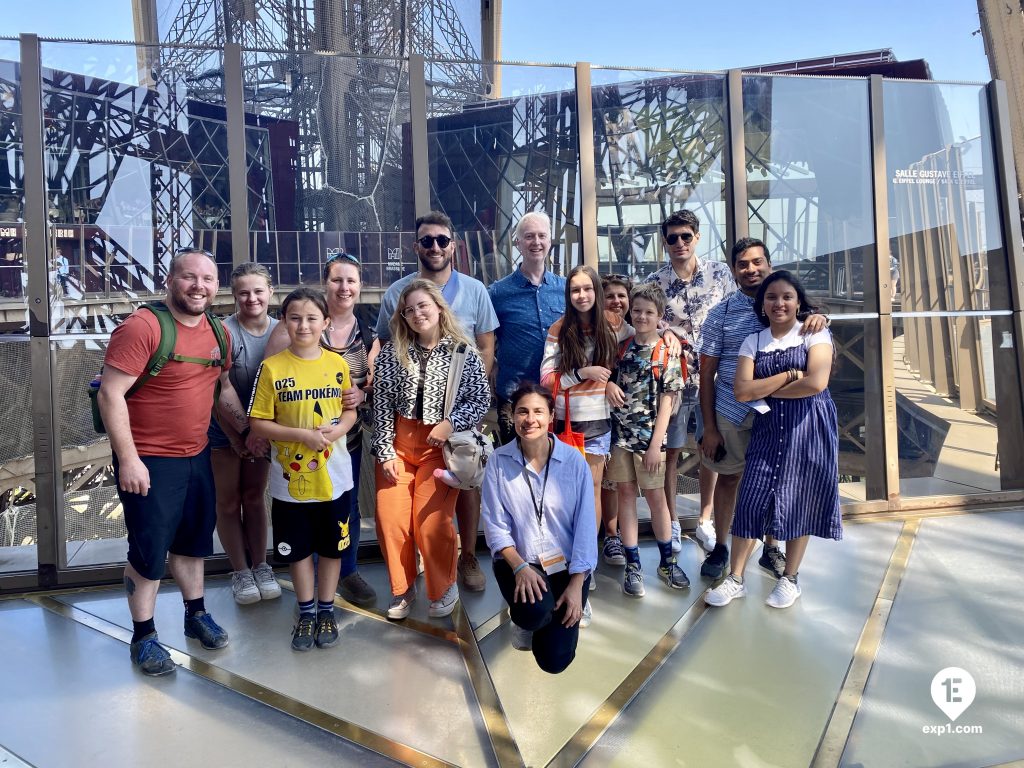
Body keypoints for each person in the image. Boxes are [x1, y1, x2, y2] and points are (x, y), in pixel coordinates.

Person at [97, 248, 250, 676]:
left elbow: (220, 390)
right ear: (170, 280)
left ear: (215, 286)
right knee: (148, 551)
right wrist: (128, 460)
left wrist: (243, 434)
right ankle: (143, 635)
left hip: (196, 454)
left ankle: (195, 613)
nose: (198, 286)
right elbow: (111, 395)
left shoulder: (218, 333)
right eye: (189, 277)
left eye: (206, 279)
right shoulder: (143, 327)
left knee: (192, 542)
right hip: (149, 459)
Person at [370, 211, 498, 593]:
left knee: (465, 485)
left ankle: (469, 554)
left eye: (442, 240)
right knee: (416, 508)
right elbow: (385, 341)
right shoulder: (398, 292)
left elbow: (486, 345)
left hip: (459, 413)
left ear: (453, 246)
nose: (436, 247)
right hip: (410, 417)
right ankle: (421, 567)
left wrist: (465, 404)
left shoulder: (475, 289)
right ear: (417, 247)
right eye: (427, 241)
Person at [704, 271, 841, 609]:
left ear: (798, 301)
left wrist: (768, 387)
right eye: (771, 298)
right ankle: (736, 578)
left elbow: (817, 383)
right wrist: (790, 375)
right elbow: (741, 390)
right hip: (768, 428)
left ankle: (790, 578)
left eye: (786, 297)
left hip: (808, 427)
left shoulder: (815, 332)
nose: (779, 303)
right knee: (751, 498)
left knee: (799, 499)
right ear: (762, 304)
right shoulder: (755, 340)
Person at [264, 252, 377, 607]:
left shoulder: (369, 331)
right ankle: (309, 587)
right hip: (298, 445)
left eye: (351, 281)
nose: (344, 287)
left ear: (360, 287)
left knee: (346, 508)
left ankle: (347, 571)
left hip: (345, 440)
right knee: (306, 509)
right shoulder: (295, 327)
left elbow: (372, 381)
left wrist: (363, 391)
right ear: (325, 284)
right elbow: (271, 378)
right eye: (336, 280)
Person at [248, 287, 357, 650]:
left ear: (326, 322)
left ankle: (327, 610)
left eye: (312, 318)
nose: (304, 325)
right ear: (285, 322)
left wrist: (339, 429)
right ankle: (306, 610)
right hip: (289, 482)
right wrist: (300, 435)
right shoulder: (272, 368)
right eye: (295, 317)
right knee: (296, 550)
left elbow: (351, 411)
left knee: (331, 548)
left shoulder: (337, 364)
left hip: (335, 478)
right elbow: (259, 423)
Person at [481, 382, 596, 673]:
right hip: (518, 563)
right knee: (534, 614)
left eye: (537, 412)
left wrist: (577, 584)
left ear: (550, 416)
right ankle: (527, 619)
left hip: (566, 566)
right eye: (522, 412)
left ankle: (559, 609)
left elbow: (585, 527)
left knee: (555, 661)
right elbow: (495, 526)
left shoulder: (573, 462)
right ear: (512, 416)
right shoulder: (498, 461)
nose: (529, 419)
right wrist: (520, 568)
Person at [540, 265, 630, 627]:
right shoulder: (560, 330)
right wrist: (585, 374)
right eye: (575, 290)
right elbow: (546, 378)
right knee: (562, 497)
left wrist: (668, 335)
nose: (581, 295)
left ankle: (583, 574)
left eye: (587, 289)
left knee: (591, 495)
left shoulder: (612, 325)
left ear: (595, 290)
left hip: (596, 424)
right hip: (565, 424)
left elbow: (643, 340)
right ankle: (562, 566)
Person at [645, 210, 734, 555]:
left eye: (685, 236)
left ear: (697, 237)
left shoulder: (720, 273)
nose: (679, 243)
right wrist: (662, 334)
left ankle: (704, 518)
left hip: (715, 377)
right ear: (664, 242)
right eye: (672, 238)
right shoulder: (656, 282)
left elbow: (734, 312)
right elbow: (646, 322)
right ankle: (672, 521)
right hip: (675, 379)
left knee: (710, 448)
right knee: (671, 451)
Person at [605, 283, 689, 595]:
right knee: (626, 496)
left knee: (656, 499)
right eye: (637, 310)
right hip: (620, 439)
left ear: (660, 316)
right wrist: (606, 387)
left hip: (649, 441)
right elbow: (611, 380)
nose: (641, 316)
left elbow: (669, 400)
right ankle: (633, 564)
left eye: (648, 312)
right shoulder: (622, 348)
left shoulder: (666, 351)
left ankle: (667, 561)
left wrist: (656, 444)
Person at [208, 263, 281, 605]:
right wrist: (242, 433)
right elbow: (219, 388)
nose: (252, 298)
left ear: (270, 293)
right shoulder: (224, 331)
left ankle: (261, 565)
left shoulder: (282, 330)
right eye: (243, 293)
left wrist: (259, 433)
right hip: (224, 426)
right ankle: (240, 570)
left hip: (262, 429)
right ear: (234, 296)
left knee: (253, 496)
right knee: (228, 500)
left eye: (258, 291)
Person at [488, 211, 566, 445]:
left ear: (550, 241)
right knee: (515, 466)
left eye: (542, 236)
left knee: (556, 467)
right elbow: (482, 337)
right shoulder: (498, 293)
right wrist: (490, 365)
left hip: (558, 396)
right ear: (518, 242)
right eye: (529, 236)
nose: (536, 242)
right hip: (514, 397)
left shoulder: (566, 289)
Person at [598, 273, 632, 566]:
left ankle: (617, 535)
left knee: (618, 479)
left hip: (627, 416)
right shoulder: (592, 331)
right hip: (595, 415)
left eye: (622, 296)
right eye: (610, 296)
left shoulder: (635, 331)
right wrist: (605, 383)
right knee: (600, 479)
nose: (616, 301)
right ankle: (604, 535)